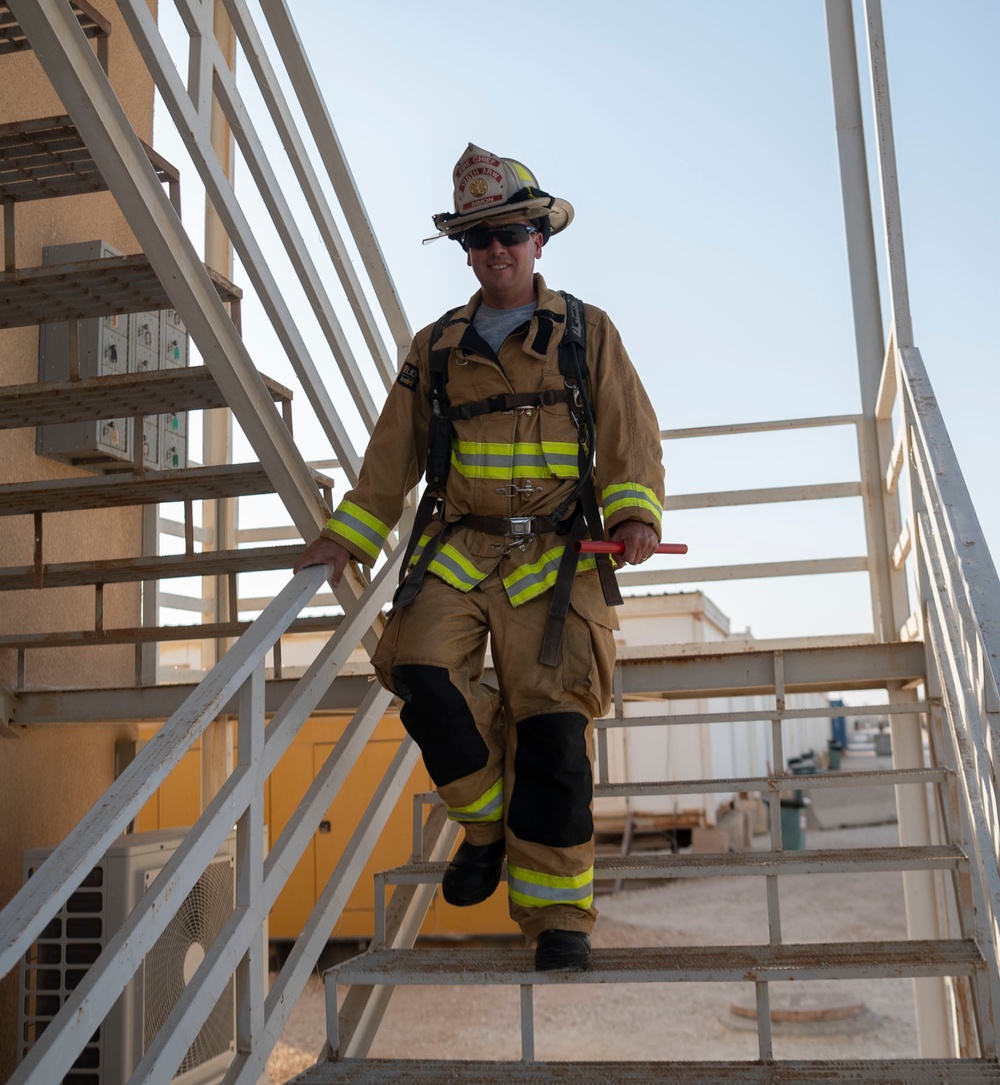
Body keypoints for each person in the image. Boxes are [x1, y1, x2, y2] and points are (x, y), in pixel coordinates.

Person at [295, 144, 664, 971]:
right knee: (421, 679)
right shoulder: (433, 348)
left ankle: (558, 917)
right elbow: (390, 460)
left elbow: (631, 435)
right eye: (476, 238)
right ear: (465, 250)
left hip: (558, 561)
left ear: (539, 238)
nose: (495, 249)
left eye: (509, 232)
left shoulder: (586, 333)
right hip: (461, 552)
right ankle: (487, 827)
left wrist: (635, 512)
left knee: (554, 737)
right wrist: (344, 539)